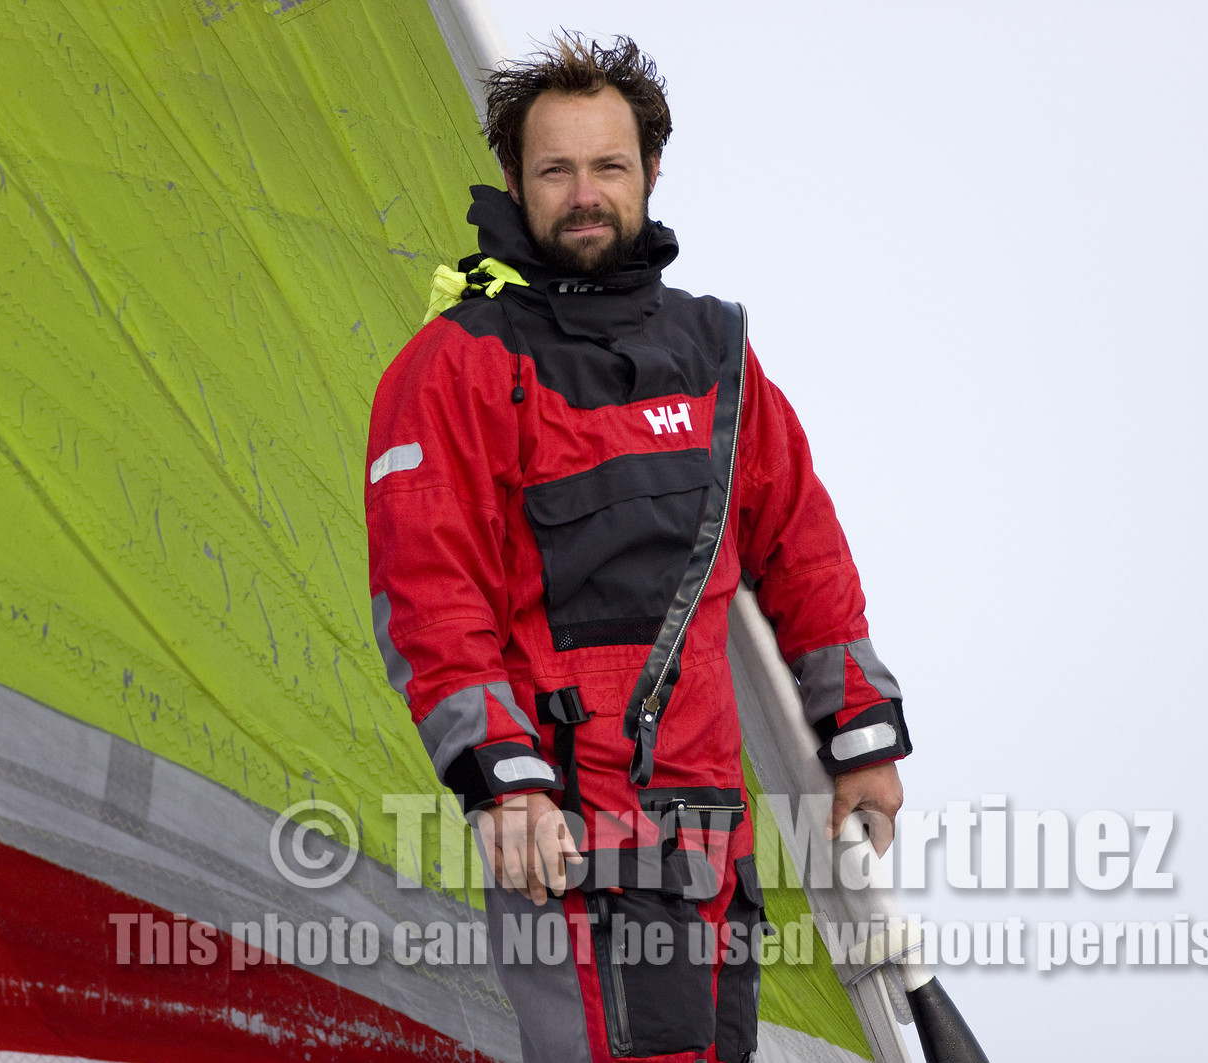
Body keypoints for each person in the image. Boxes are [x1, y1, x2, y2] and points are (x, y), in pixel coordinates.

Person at [364, 34, 911, 1063]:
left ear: (650, 171)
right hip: (569, 830)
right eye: (555, 170)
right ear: (514, 180)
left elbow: (802, 547)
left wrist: (863, 734)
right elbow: (431, 599)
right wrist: (504, 778)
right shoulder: (453, 366)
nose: (585, 195)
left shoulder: (716, 352)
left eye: (608, 166)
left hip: (717, 837)